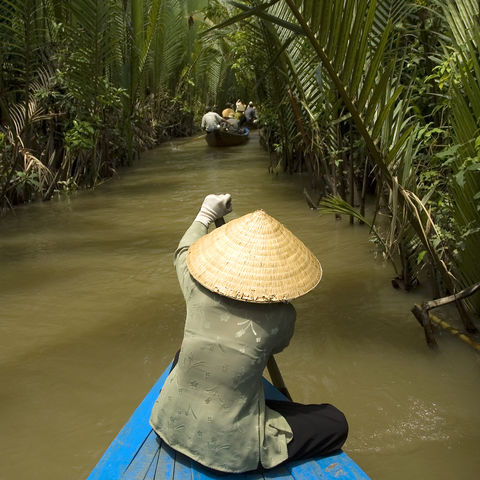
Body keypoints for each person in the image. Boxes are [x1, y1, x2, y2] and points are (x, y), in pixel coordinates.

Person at [150, 194, 348, 473]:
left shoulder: (196, 287)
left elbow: (183, 251)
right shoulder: (282, 316)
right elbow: (277, 347)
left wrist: (206, 213)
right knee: (335, 422)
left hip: (166, 421)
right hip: (228, 450)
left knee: (184, 352)